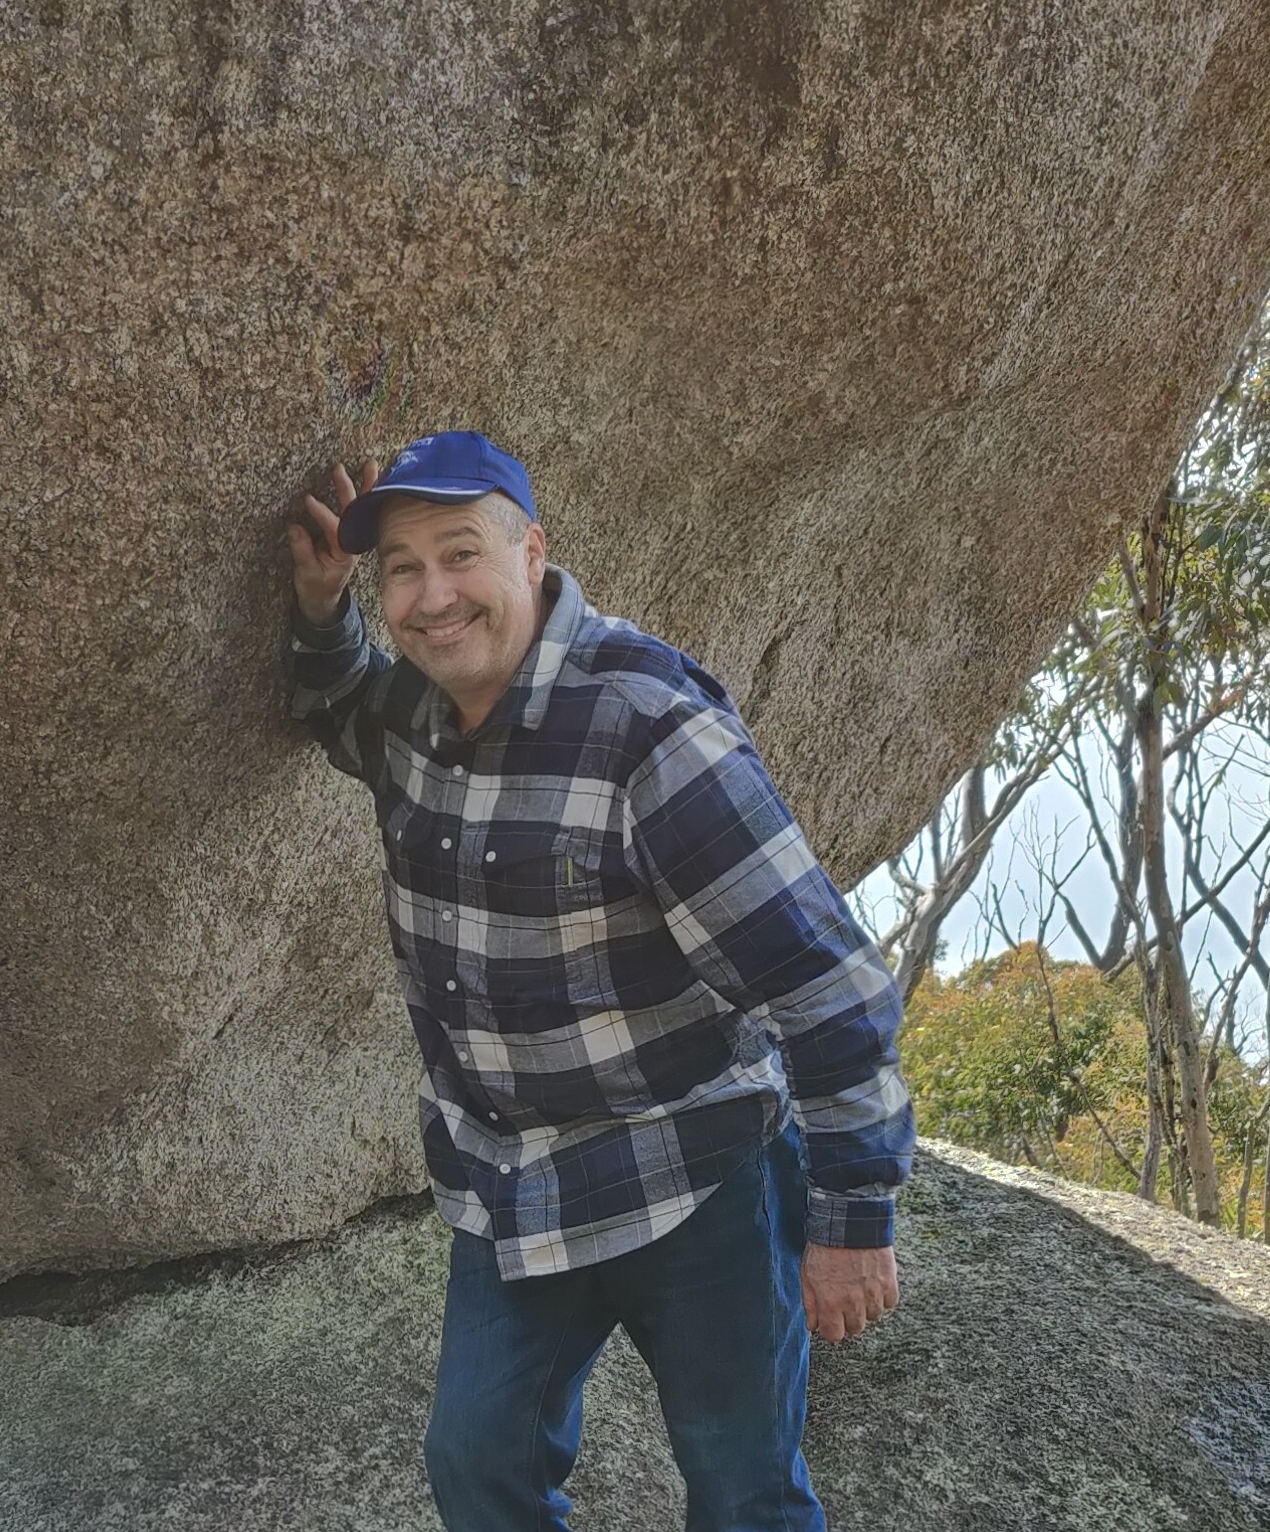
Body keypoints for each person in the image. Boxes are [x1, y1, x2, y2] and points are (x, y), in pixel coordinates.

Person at [283, 431, 913, 1532]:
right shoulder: (414, 717)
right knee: (476, 1467)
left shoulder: (650, 731)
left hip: (695, 1174)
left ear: (532, 551)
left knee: (744, 1494)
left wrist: (852, 1220)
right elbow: (342, 708)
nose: (433, 596)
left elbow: (826, 985)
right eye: (401, 570)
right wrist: (323, 606)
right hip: (512, 1181)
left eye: (459, 554)